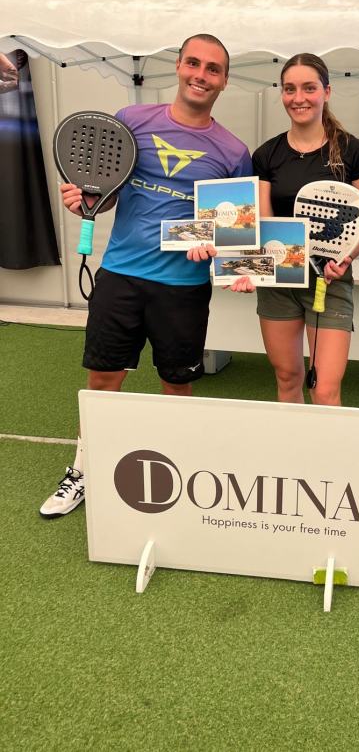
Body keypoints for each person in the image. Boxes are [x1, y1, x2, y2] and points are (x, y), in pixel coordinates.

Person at [40, 34, 252, 518]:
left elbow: (234, 228)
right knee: (103, 378)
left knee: (177, 384)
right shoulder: (131, 122)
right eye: (193, 63)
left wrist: (218, 247)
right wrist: (87, 201)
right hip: (120, 276)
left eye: (213, 68)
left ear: (224, 80)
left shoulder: (233, 150)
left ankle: (172, 470)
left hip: (183, 288)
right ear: (178, 66)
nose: (201, 74)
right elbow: (108, 192)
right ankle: (85, 470)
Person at [233, 53, 359, 406]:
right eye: (290, 89)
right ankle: (292, 458)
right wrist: (246, 268)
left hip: (330, 282)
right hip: (280, 284)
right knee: (288, 378)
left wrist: (346, 257)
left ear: (326, 91)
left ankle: (327, 461)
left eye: (309, 88)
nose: (299, 98)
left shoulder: (351, 150)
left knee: (325, 390)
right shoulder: (266, 155)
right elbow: (263, 225)